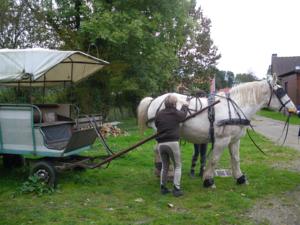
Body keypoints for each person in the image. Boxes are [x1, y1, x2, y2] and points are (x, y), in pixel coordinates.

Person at [155, 94, 188, 197]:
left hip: (161, 144)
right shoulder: (175, 113)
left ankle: (163, 187)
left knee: (165, 166)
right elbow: (183, 116)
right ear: (174, 103)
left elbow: (157, 124)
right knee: (177, 166)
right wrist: (185, 106)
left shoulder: (159, 114)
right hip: (172, 143)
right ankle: (176, 189)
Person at [190, 89, 208, 178]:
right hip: (197, 133)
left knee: (203, 153)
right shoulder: (196, 106)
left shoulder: (207, 106)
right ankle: (192, 169)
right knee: (197, 152)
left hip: (205, 133)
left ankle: (202, 169)